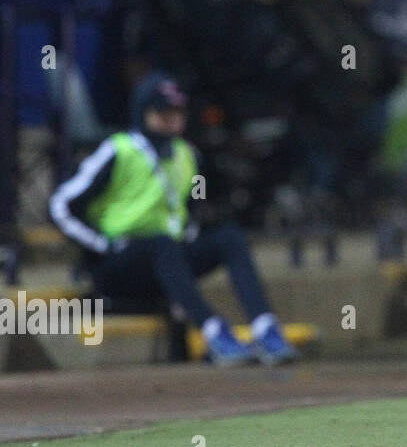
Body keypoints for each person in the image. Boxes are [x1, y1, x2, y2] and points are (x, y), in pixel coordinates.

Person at [48, 74, 297, 365]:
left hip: (167, 261)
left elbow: (187, 213)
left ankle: (265, 327)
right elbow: (60, 205)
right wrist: (101, 244)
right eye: (163, 113)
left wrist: (188, 237)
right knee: (161, 245)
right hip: (118, 264)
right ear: (144, 113)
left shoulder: (186, 155)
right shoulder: (119, 150)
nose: (172, 121)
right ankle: (214, 331)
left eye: (177, 113)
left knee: (228, 238)